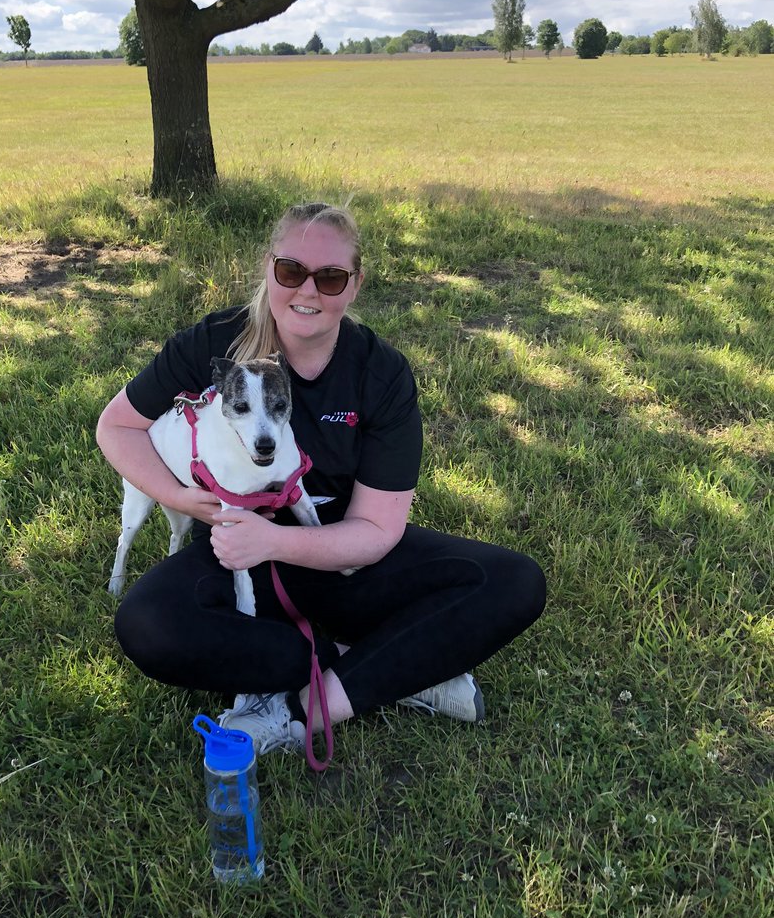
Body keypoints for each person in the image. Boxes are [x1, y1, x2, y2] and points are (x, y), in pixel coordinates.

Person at [96, 203, 546, 756]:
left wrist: (277, 540)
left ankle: (298, 708)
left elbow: (378, 530)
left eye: (330, 277)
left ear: (354, 285)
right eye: (291, 271)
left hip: (345, 557)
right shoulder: (212, 343)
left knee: (512, 581)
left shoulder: (380, 372)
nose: (308, 291)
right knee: (147, 624)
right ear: (268, 268)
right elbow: (116, 427)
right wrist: (186, 500)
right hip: (236, 550)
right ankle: (394, 666)